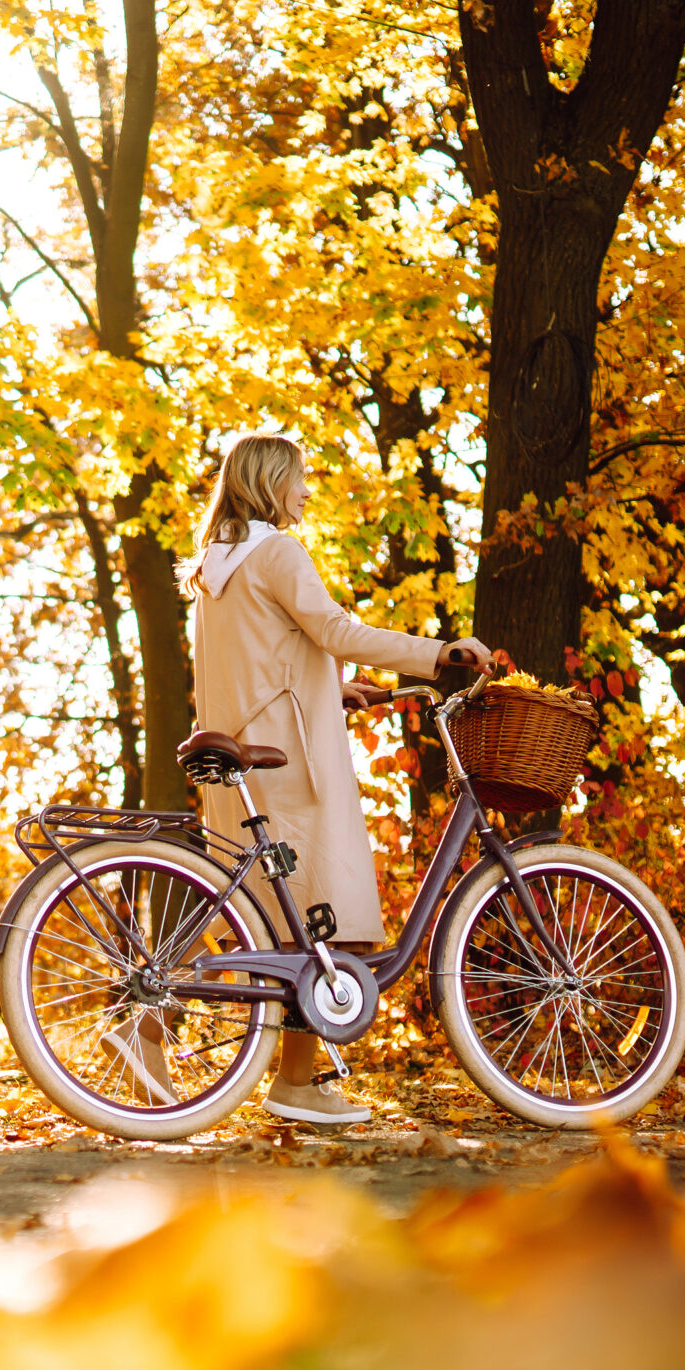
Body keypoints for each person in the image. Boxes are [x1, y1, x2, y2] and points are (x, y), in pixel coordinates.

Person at [179, 433, 489, 1125]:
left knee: (282, 936)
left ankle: (291, 1080)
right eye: (300, 479)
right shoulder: (278, 551)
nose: (307, 491)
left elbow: (264, 654)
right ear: (269, 482)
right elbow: (335, 628)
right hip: (291, 766)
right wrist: (440, 652)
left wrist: (333, 687)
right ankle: (290, 1082)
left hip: (241, 763)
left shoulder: (213, 565)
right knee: (331, 925)